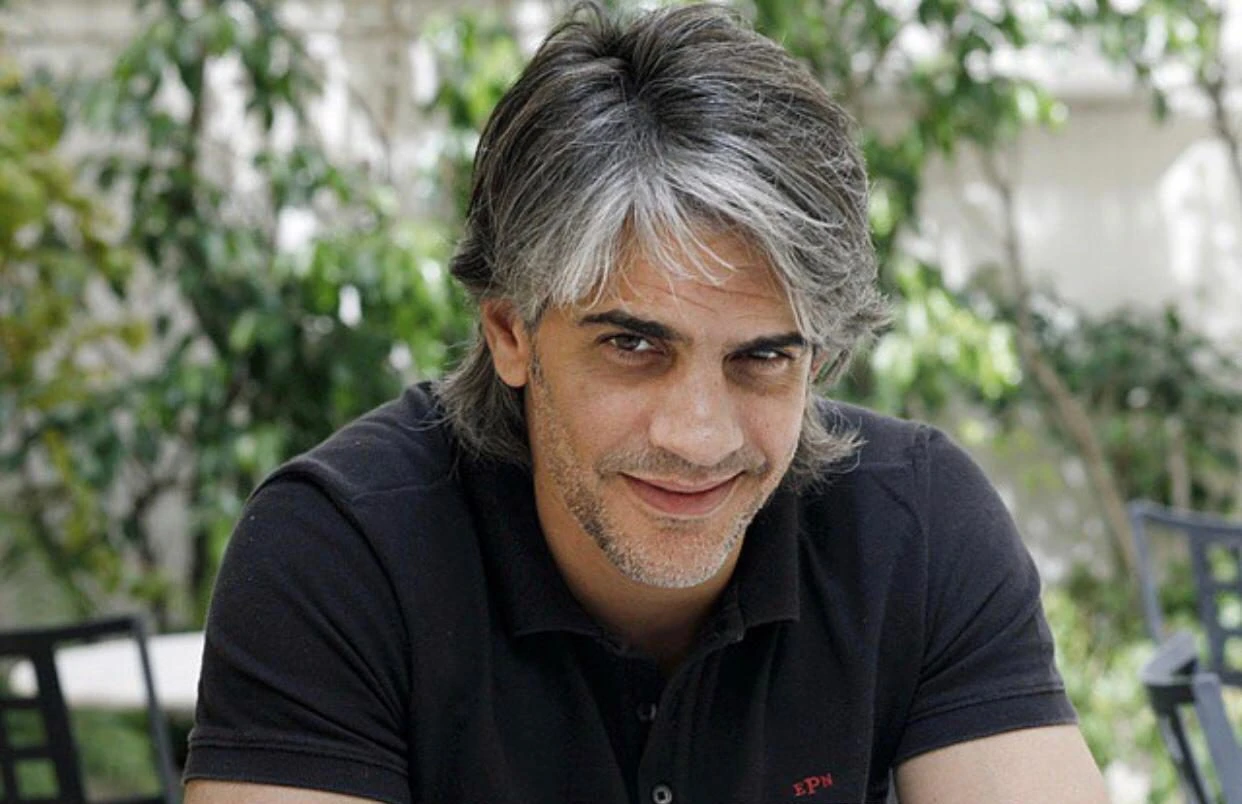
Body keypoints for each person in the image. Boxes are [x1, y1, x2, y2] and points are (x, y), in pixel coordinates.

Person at [183, 3, 1108, 802]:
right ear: (508, 331)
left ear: (818, 358)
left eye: (762, 357)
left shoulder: (915, 526)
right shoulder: (339, 554)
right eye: (632, 347)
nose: (698, 436)